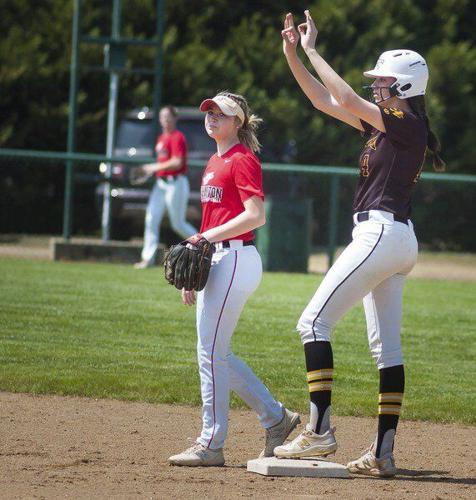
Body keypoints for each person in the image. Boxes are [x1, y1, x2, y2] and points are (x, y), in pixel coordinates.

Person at [274, 11, 444, 477]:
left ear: (406, 87)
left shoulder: (404, 124)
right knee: (386, 351)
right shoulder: (384, 126)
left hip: (381, 233)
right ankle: (383, 453)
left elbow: (345, 94)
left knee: (312, 323)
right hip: (396, 240)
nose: (376, 87)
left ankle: (320, 429)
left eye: (384, 81)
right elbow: (326, 100)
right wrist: (293, 53)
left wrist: (313, 49)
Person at [167, 92, 300, 466]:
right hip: (219, 259)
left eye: (220, 113)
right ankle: (277, 418)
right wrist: (195, 267)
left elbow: (256, 215)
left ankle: (211, 443)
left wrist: (204, 238)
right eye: (209, 111)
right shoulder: (213, 160)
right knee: (214, 353)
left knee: (210, 353)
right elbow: (211, 224)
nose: (211, 117)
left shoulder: (242, 159)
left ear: (238, 121)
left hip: (238, 257)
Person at [134, 105, 197, 269]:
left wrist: (153, 167)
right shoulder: (162, 138)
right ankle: (147, 259)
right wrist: (154, 170)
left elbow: (177, 162)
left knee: (178, 223)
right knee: (151, 219)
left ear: (175, 119)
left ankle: (204, 245)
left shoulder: (177, 137)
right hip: (161, 184)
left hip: (176, 183)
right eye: (162, 117)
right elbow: (164, 163)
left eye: (168, 117)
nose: (165, 120)